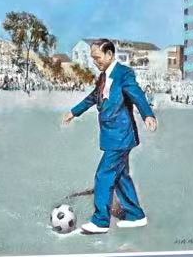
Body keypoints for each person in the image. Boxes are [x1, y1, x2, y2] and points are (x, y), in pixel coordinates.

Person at [61, 40, 157, 234]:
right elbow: (93, 97)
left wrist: (148, 114)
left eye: (97, 57)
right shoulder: (103, 77)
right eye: (93, 58)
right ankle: (136, 215)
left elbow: (137, 94)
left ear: (110, 54)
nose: (95, 62)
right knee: (121, 177)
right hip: (112, 135)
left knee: (104, 175)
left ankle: (100, 221)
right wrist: (74, 112)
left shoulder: (123, 73)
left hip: (121, 135)